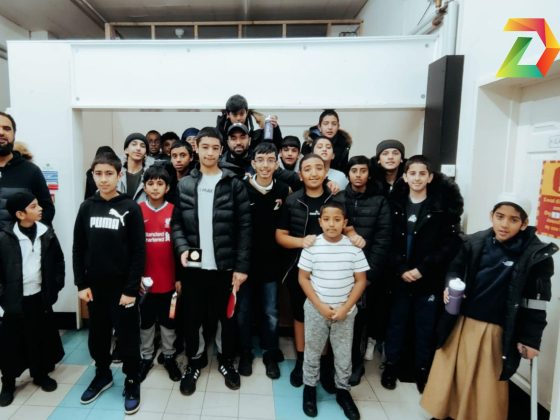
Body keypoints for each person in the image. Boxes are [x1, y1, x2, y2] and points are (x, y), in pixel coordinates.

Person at [421, 193, 556, 420]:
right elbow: (455, 269)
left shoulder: (535, 256)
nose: (504, 224)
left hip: (496, 329)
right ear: (491, 215)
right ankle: (444, 413)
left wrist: (531, 339)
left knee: (484, 382)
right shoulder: (474, 242)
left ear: (524, 223)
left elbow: (536, 302)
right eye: (500, 216)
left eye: (513, 219)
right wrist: (450, 284)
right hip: (461, 321)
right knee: (452, 372)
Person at [171, 127, 251, 396]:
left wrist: (241, 267)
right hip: (194, 267)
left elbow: (245, 227)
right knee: (192, 317)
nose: (209, 152)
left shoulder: (233, 183)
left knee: (225, 318)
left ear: (221, 150)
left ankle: (226, 360)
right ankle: (194, 362)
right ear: (197, 148)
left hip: (225, 266)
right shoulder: (185, 184)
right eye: (204, 147)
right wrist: (182, 247)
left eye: (215, 148)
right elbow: (177, 224)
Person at [382, 155, 463, 393]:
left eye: (422, 174)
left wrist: (422, 269)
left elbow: (448, 245)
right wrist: (401, 269)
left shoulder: (441, 208)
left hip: (428, 279)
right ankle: (391, 367)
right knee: (396, 324)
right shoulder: (394, 205)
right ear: (405, 177)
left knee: (425, 327)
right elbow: (386, 240)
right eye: (412, 173)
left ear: (430, 177)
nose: (417, 178)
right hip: (399, 277)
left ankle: (422, 371)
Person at [73, 152, 145, 415]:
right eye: (98, 174)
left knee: (128, 337)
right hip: (95, 288)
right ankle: (102, 374)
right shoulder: (86, 207)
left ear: (119, 175)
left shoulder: (130, 207)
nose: (103, 179)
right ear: (92, 175)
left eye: (108, 174)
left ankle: (132, 380)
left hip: (123, 289)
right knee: (98, 336)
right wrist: (81, 284)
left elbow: (139, 251)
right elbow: (78, 248)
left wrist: (130, 289)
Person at [276, 153, 345, 388]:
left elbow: (348, 229)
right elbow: (280, 236)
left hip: (331, 272)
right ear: (300, 174)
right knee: (300, 315)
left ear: (325, 172)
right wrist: (301, 241)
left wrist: (355, 237)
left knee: (326, 317)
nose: (313, 173)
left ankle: (323, 364)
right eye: (307, 169)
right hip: (299, 270)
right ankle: (302, 360)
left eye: (318, 168)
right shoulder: (292, 200)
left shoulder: (337, 199)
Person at [298, 201, 368, 419]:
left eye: (337, 220)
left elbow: (360, 281)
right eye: (326, 219)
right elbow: (303, 278)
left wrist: (346, 308)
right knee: (312, 351)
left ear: (344, 223)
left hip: (345, 313)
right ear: (320, 222)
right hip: (316, 310)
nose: (331, 224)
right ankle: (309, 388)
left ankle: (343, 391)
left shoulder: (353, 248)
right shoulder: (312, 246)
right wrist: (320, 306)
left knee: (343, 354)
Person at [0, 192, 65, 407]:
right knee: (10, 344)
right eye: (34, 206)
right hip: (14, 301)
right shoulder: (4, 238)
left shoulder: (47, 233)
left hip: (39, 297)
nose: (40, 208)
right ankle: (8, 383)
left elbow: (58, 262)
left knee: (39, 337)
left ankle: (40, 374)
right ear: (20, 214)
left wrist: (55, 287)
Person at [237, 142, 289, 378]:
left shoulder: (284, 190)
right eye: (261, 160)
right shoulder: (241, 188)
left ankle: (270, 353)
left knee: (270, 312)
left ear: (276, 164)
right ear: (253, 163)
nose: (265, 165)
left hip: (272, 263)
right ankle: (245, 352)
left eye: (270, 160)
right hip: (245, 263)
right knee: (244, 311)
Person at [342, 156, 392, 386]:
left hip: (366, 273)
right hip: (340, 272)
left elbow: (383, 240)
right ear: (348, 173)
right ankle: (336, 363)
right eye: (354, 170)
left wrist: (368, 275)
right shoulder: (339, 198)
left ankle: (356, 364)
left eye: (363, 171)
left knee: (360, 321)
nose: (358, 175)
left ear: (369, 174)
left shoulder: (379, 201)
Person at [138, 166, 182, 383]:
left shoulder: (174, 211)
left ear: (167, 188)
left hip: (169, 280)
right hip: (144, 282)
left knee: (168, 320)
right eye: (151, 183)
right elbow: (132, 248)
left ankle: (169, 356)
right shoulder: (137, 210)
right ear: (144, 187)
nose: (155, 188)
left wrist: (179, 278)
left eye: (160, 183)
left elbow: (181, 247)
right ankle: (146, 356)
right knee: (146, 321)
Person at [0, 112, 54, 228]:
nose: (1, 132)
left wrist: (27, 234)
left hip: (19, 239)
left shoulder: (31, 171)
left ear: (14, 134)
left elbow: (47, 210)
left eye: (7, 128)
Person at [216, 94, 282, 149]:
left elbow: (275, 148)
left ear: (247, 112)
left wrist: (275, 129)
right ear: (228, 114)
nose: (238, 118)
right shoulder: (220, 131)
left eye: (242, 114)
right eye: (235, 114)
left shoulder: (258, 128)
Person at [117, 132, 155, 203]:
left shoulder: (151, 174)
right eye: (134, 144)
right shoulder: (116, 174)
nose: (138, 148)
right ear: (126, 150)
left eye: (142, 146)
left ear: (146, 153)